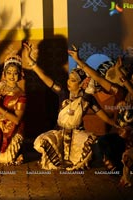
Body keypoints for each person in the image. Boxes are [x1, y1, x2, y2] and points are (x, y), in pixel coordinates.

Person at [22, 42, 118, 170]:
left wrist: (115, 124)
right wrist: (30, 60)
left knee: (92, 142)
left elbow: (101, 114)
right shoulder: (63, 93)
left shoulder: (87, 98)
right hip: (59, 132)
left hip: (77, 134)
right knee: (41, 142)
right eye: (69, 78)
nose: (68, 82)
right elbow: (45, 78)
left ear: (81, 84)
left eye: (73, 80)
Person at [68, 46, 133, 171]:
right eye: (131, 79)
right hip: (118, 137)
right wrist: (79, 60)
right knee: (100, 144)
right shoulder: (120, 92)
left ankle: (122, 165)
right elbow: (98, 78)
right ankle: (115, 164)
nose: (131, 81)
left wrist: (122, 76)